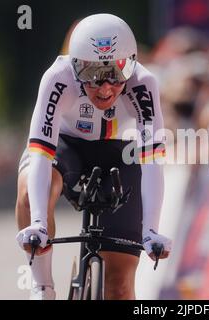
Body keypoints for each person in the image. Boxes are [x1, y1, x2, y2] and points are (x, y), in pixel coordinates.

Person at [15, 13, 172, 300]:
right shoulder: (57, 78)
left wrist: (150, 231)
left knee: (120, 284)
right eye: (92, 73)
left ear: (132, 64)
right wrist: (38, 221)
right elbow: (39, 153)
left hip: (120, 154)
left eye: (116, 72)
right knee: (30, 192)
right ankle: (42, 287)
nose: (105, 87)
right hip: (66, 148)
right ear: (74, 67)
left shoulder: (144, 82)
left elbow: (152, 161)